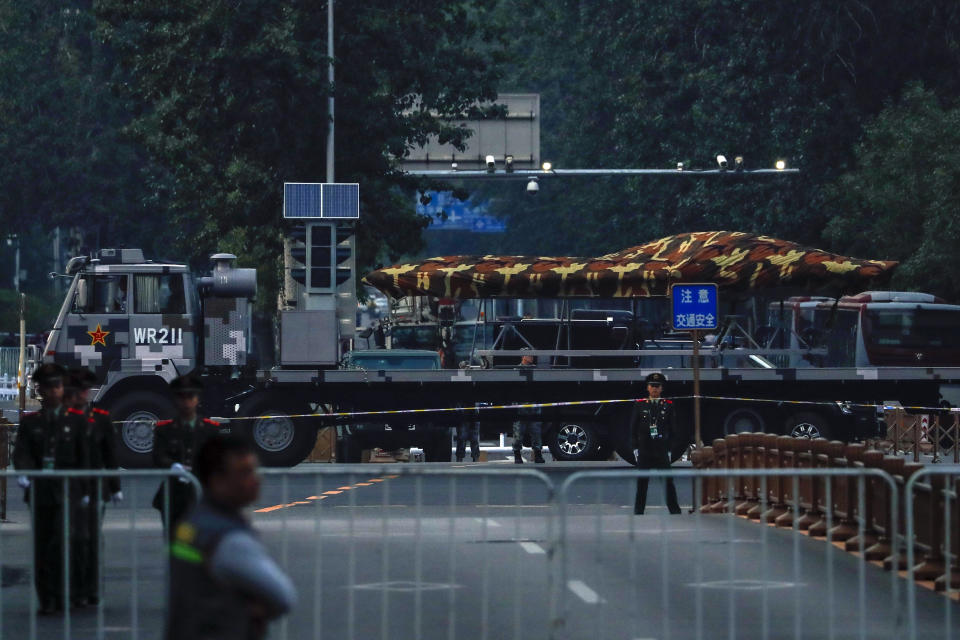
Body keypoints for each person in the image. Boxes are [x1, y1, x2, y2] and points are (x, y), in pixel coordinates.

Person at [165, 435, 296, 639]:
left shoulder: (191, 523)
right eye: (245, 472)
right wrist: (245, 610)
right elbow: (283, 597)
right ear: (218, 481)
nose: (256, 479)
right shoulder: (228, 539)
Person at [12, 363, 88, 613]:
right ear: (42, 390)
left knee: (62, 542)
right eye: (48, 386)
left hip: (69, 491)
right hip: (41, 492)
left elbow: (85, 457)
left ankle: (65, 594)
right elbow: (22, 453)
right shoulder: (30, 423)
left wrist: (86, 488)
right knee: (43, 546)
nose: (53, 390)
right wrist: (24, 474)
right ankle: (47, 599)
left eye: (57, 385)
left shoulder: (77, 422)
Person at [65, 368, 122, 607]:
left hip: (96, 488)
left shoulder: (100, 418)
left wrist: (115, 486)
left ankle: (91, 589)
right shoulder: (63, 418)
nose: (80, 395)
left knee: (92, 540)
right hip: (69, 489)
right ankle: (74, 589)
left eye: (83, 391)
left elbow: (110, 455)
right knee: (74, 540)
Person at [152, 374, 221, 537]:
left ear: (197, 399)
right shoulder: (165, 429)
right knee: (175, 543)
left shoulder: (210, 429)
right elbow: (157, 456)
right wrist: (173, 466)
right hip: (173, 496)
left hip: (202, 496)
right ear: (176, 400)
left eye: (190, 397)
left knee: (201, 545)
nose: (186, 402)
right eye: (182, 397)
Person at [630, 372, 681, 515]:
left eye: (657, 386)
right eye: (652, 386)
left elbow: (673, 429)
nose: (655, 389)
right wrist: (635, 448)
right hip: (644, 448)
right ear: (647, 388)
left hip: (661, 449)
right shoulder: (640, 405)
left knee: (667, 482)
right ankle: (638, 511)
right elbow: (633, 428)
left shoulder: (668, 405)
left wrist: (670, 449)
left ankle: (675, 510)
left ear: (662, 389)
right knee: (642, 483)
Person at [513, 351, 545, 464]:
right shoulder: (516, 370)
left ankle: (538, 454)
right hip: (520, 407)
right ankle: (517, 454)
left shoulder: (536, 370)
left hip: (534, 406)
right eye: (529, 355)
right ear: (523, 356)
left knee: (536, 433)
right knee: (518, 433)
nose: (531, 357)